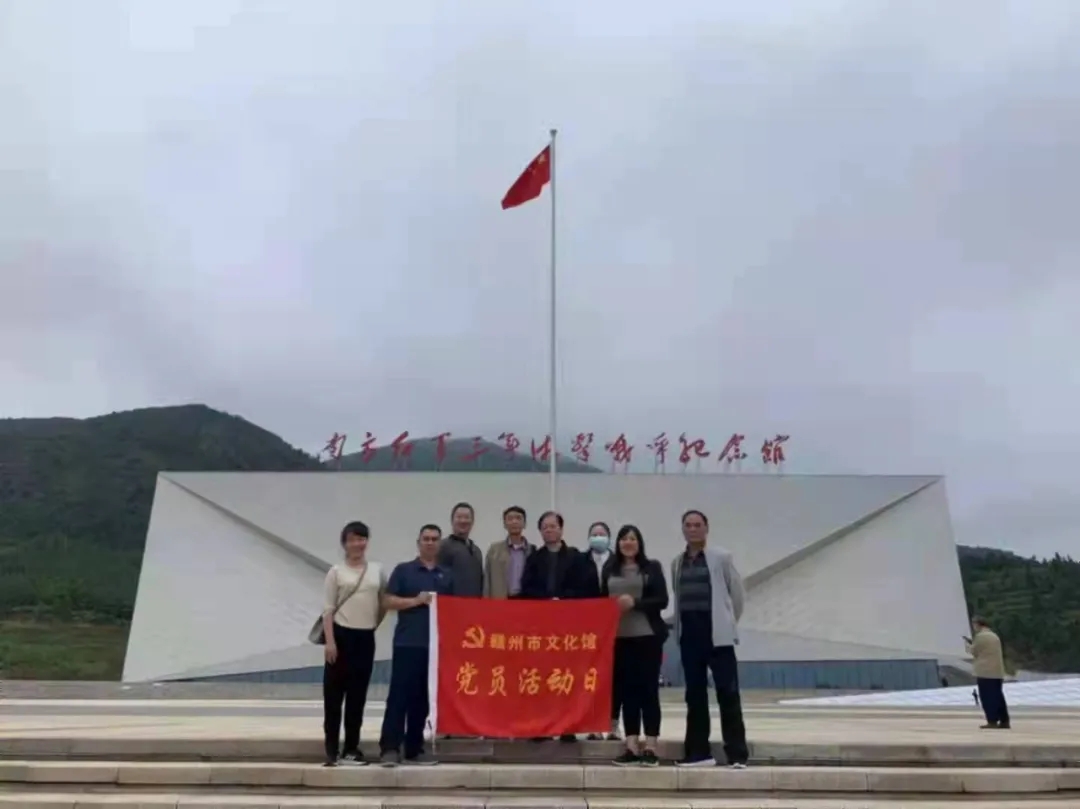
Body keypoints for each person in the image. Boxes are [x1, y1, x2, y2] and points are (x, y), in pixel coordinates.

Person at [670, 509, 749, 769]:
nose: (693, 529)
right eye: (688, 525)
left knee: (728, 692)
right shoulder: (677, 563)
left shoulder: (721, 558)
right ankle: (698, 752)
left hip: (717, 635)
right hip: (690, 635)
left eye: (697, 525)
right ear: (683, 529)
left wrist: (727, 622)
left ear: (706, 528)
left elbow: (737, 596)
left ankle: (736, 754)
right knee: (694, 695)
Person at [519, 510, 600, 742]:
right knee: (541, 678)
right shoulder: (534, 559)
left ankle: (567, 726)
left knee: (567, 678)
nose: (549, 530)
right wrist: (546, 601)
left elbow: (589, 590)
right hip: (542, 629)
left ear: (561, 529)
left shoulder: (578, 558)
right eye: (544, 527)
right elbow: (526, 589)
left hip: (569, 629)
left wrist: (563, 600)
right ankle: (540, 726)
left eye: (553, 526)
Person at [378, 524, 455, 766]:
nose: (430, 543)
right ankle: (390, 748)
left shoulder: (447, 575)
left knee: (422, 699)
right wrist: (416, 601)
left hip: (433, 647)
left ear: (440, 544)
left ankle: (414, 748)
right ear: (419, 542)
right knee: (399, 696)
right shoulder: (404, 570)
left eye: (434, 539)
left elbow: (454, 610)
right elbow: (387, 601)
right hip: (407, 643)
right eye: (426, 539)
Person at [601, 524, 668, 767]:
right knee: (627, 692)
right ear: (617, 543)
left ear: (639, 543)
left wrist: (635, 603)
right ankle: (630, 746)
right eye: (623, 539)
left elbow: (662, 600)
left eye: (632, 539)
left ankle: (650, 746)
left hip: (647, 637)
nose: (627, 543)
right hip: (619, 638)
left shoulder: (651, 567)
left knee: (648, 691)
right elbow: (601, 601)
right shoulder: (609, 569)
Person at [321, 521, 386, 767]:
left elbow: (382, 603)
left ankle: (351, 748)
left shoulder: (377, 571)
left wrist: (372, 625)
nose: (357, 544)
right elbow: (328, 609)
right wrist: (330, 642)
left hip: (365, 637)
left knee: (357, 697)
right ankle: (331, 749)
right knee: (334, 696)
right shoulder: (336, 572)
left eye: (361, 539)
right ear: (344, 543)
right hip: (340, 636)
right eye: (352, 540)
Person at [583, 521, 620, 741]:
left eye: (602, 534)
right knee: (591, 677)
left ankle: (614, 724)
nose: (598, 537)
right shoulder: (581, 561)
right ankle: (593, 724)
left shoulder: (618, 562)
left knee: (614, 677)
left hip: (614, 627)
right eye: (594, 534)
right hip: (588, 627)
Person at [966, 617, 1010, 729]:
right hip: (997, 671)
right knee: (998, 696)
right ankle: (1004, 720)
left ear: (978, 624)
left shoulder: (980, 636)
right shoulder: (994, 636)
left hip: (985, 672)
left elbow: (974, 651)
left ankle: (992, 720)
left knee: (987, 697)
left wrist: (968, 645)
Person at [483, 505, 534, 598]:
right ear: (504, 524)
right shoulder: (494, 550)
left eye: (518, 518)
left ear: (524, 524)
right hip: (501, 600)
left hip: (525, 600)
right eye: (510, 519)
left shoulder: (532, 551)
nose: (514, 522)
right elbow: (487, 581)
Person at [437, 502, 484, 598]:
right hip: (451, 603)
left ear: (472, 522)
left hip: (474, 604)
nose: (463, 521)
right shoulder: (442, 546)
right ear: (452, 520)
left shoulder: (476, 551)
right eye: (459, 517)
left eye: (467, 517)